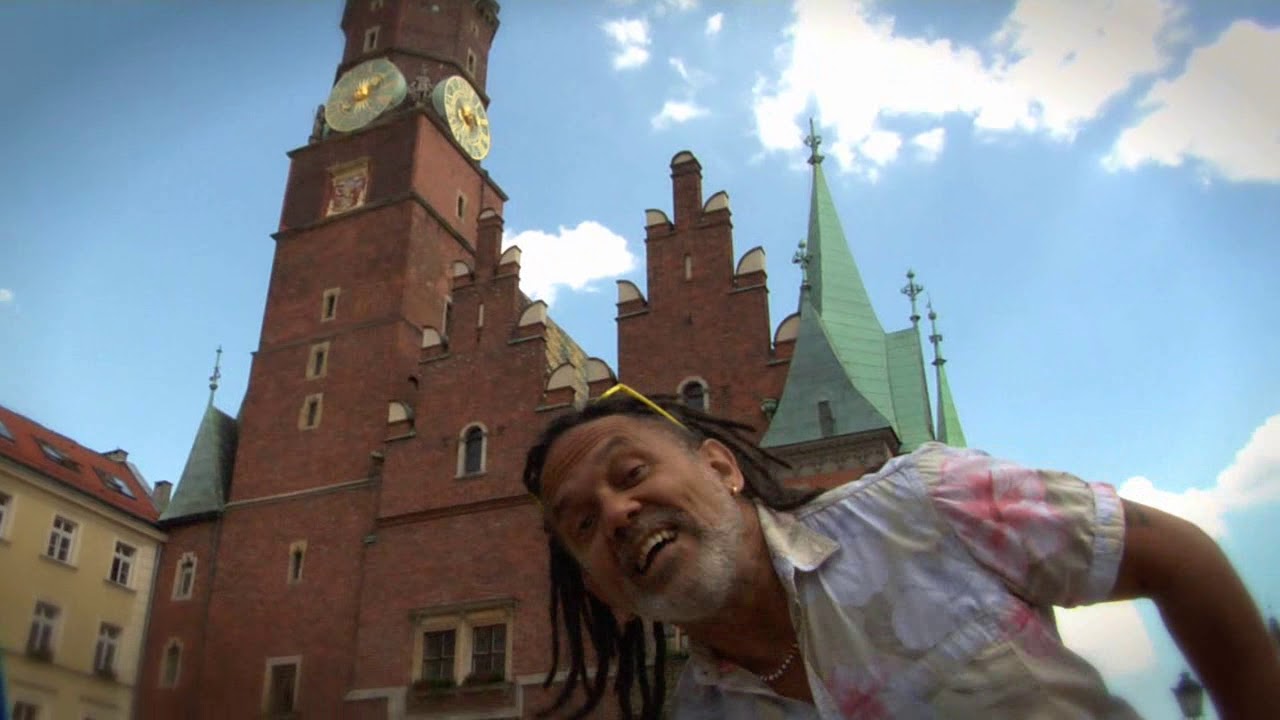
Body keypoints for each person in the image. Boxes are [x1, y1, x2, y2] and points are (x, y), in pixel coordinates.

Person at [521, 384, 1280, 719]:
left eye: (631, 474)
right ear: (604, 592)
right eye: (581, 524)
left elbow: (1176, 556)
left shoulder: (922, 505)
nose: (615, 512)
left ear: (722, 468)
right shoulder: (698, 713)